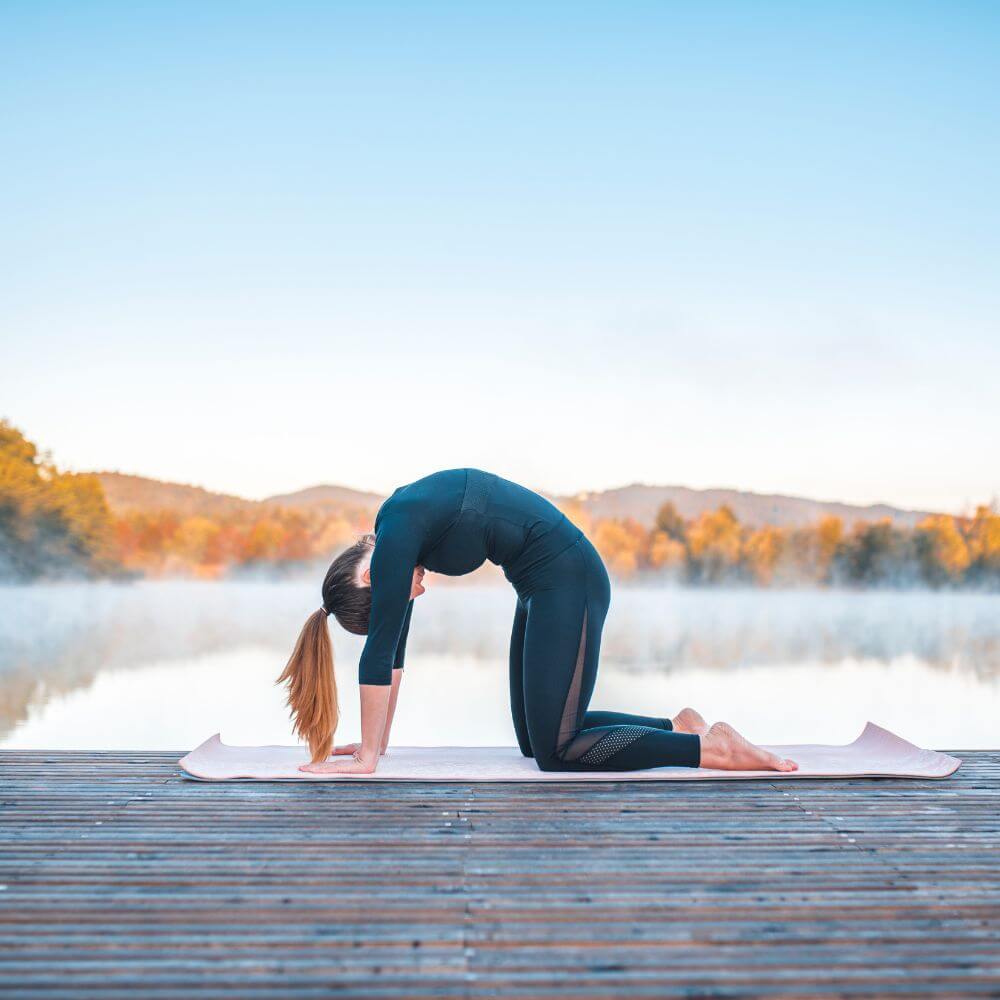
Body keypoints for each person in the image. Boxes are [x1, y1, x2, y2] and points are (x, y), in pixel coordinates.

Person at [277, 468, 797, 775]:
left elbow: (379, 647)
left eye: (401, 595)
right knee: (536, 739)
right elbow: (392, 654)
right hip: (541, 588)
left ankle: (711, 748)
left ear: (366, 579)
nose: (419, 592)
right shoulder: (398, 532)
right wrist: (377, 746)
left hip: (570, 579)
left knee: (557, 751)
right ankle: (677, 725)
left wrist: (365, 760)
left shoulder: (394, 538)